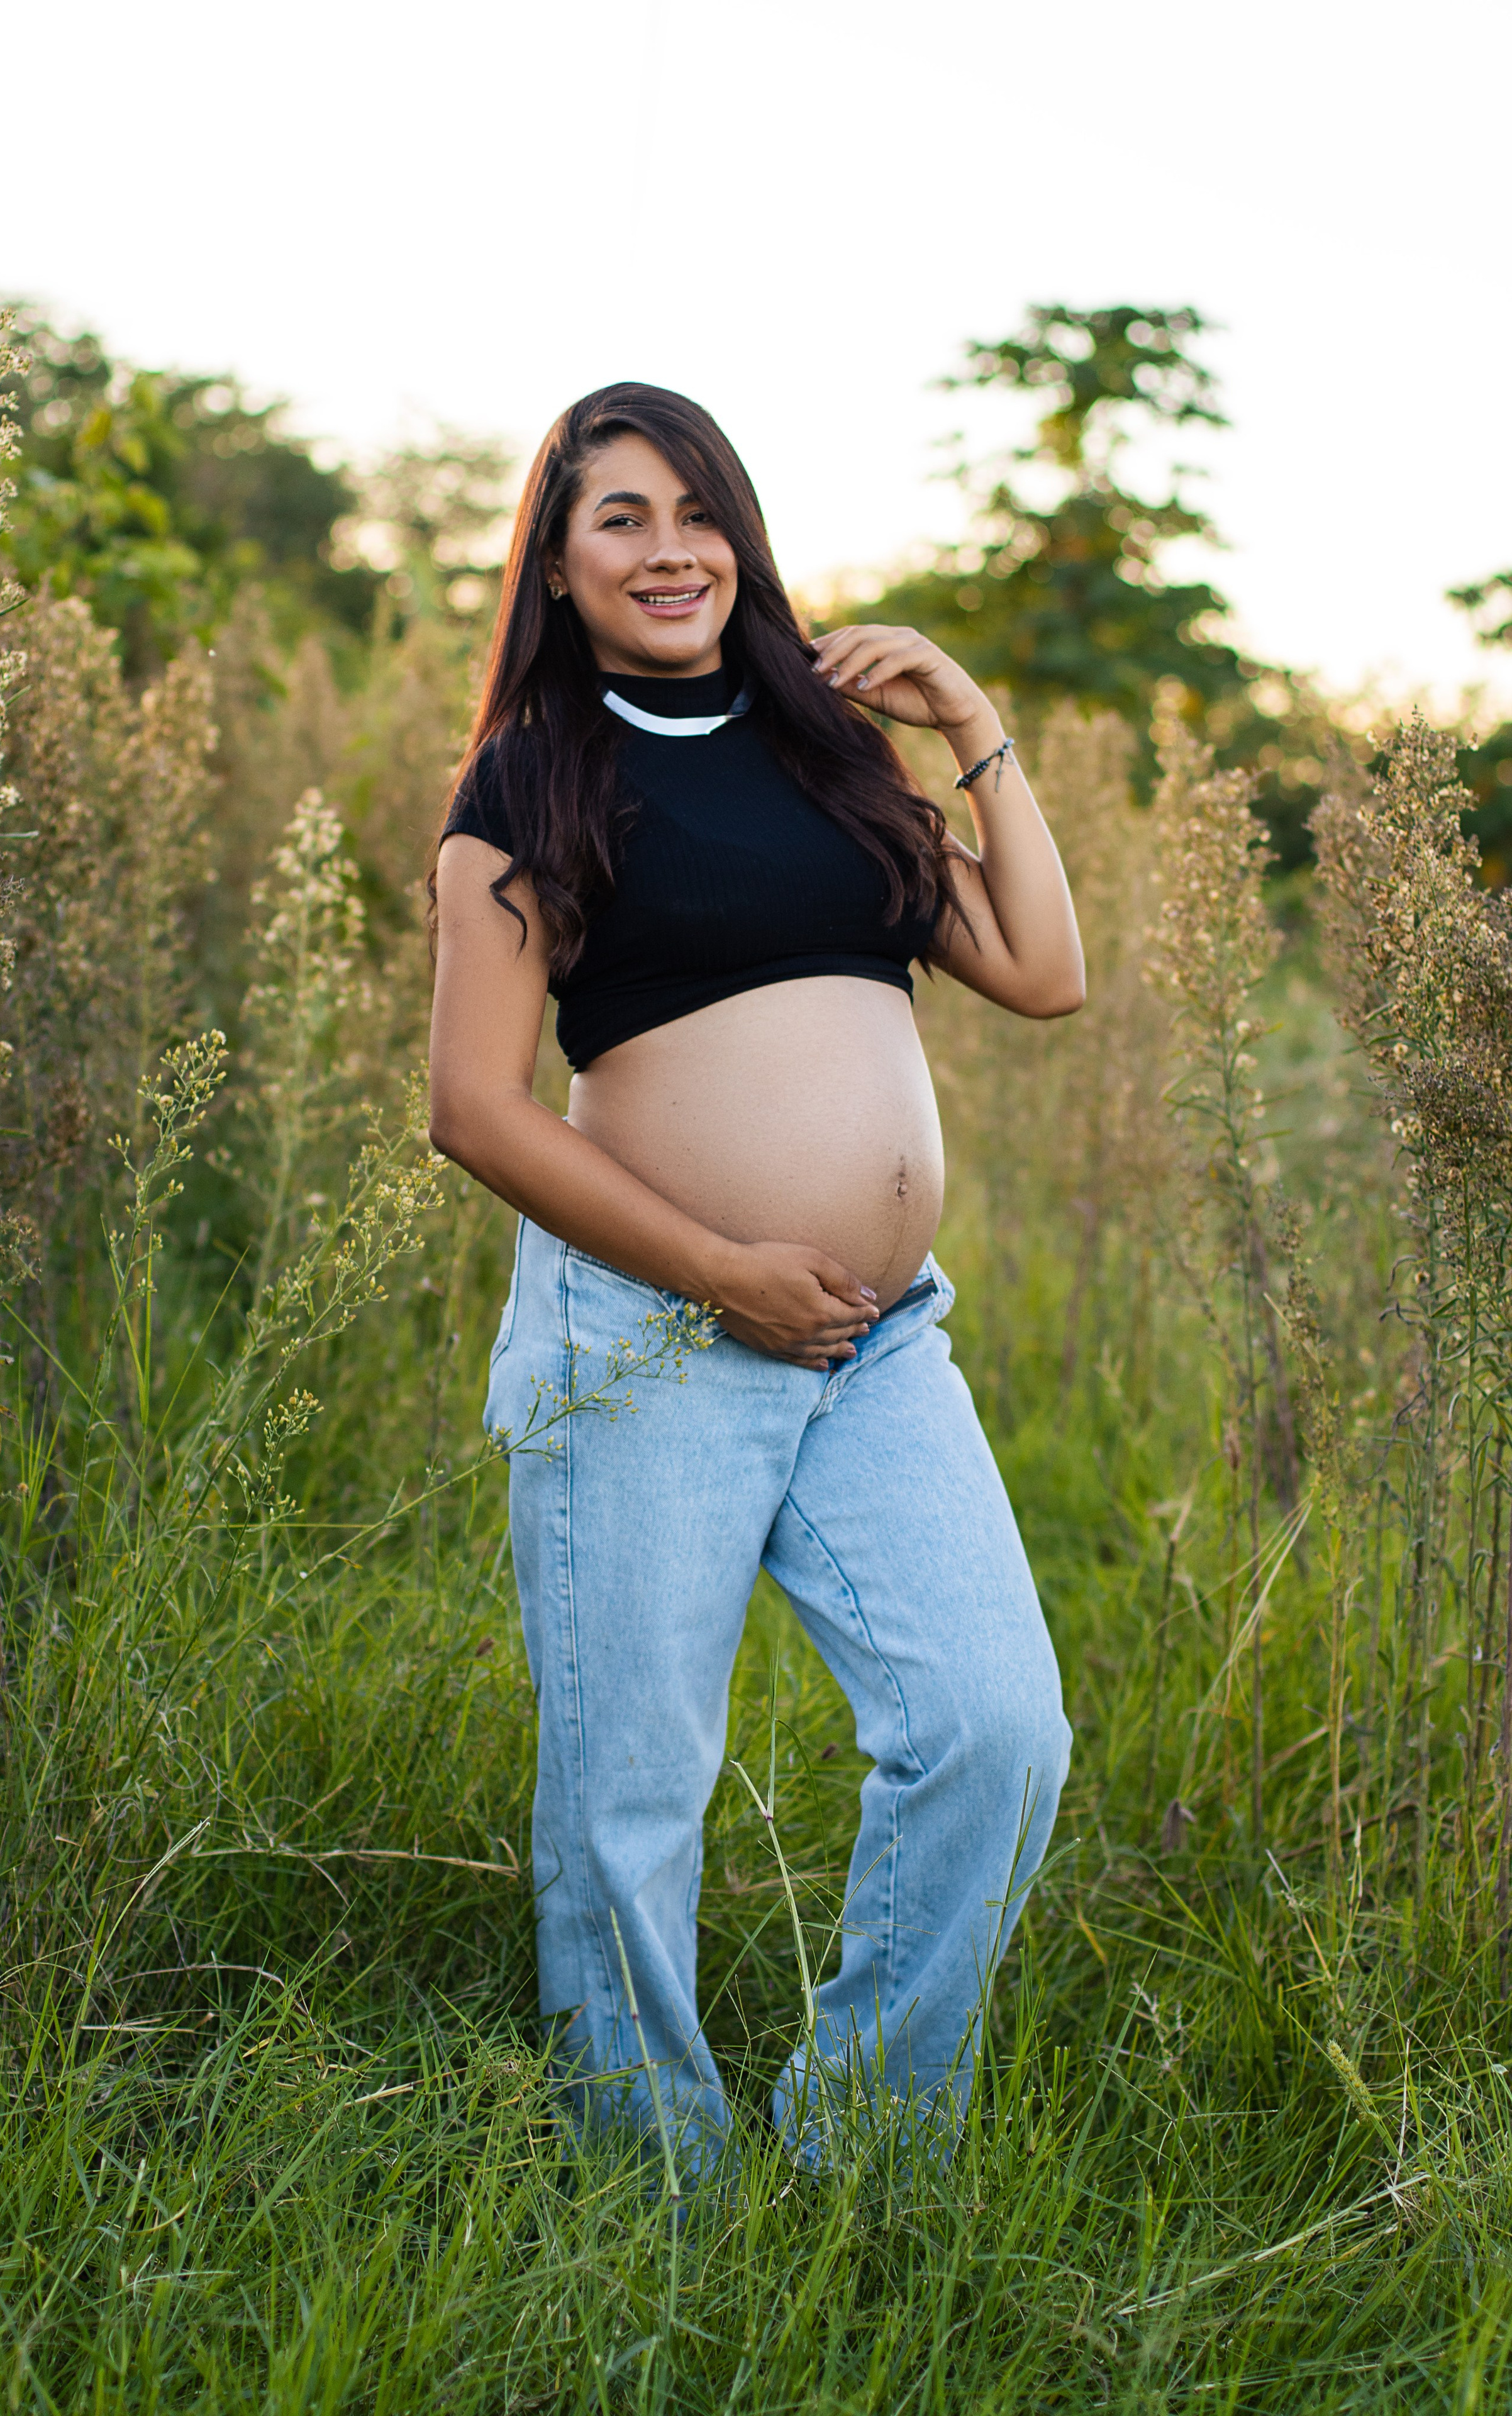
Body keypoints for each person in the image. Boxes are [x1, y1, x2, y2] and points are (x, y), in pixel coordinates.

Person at [427, 382, 1082, 2169]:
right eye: (619, 517)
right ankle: (652, 2200)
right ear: (557, 566)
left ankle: (862, 2151)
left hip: (876, 1348)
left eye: (696, 508)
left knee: (995, 1727)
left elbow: (1042, 967)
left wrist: (966, 715)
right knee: (629, 1802)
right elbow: (472, 1107)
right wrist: (720, 1266)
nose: (670, 547)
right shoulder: (533, 780)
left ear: (744, 535)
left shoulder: (828, 753)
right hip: (645, 1334)